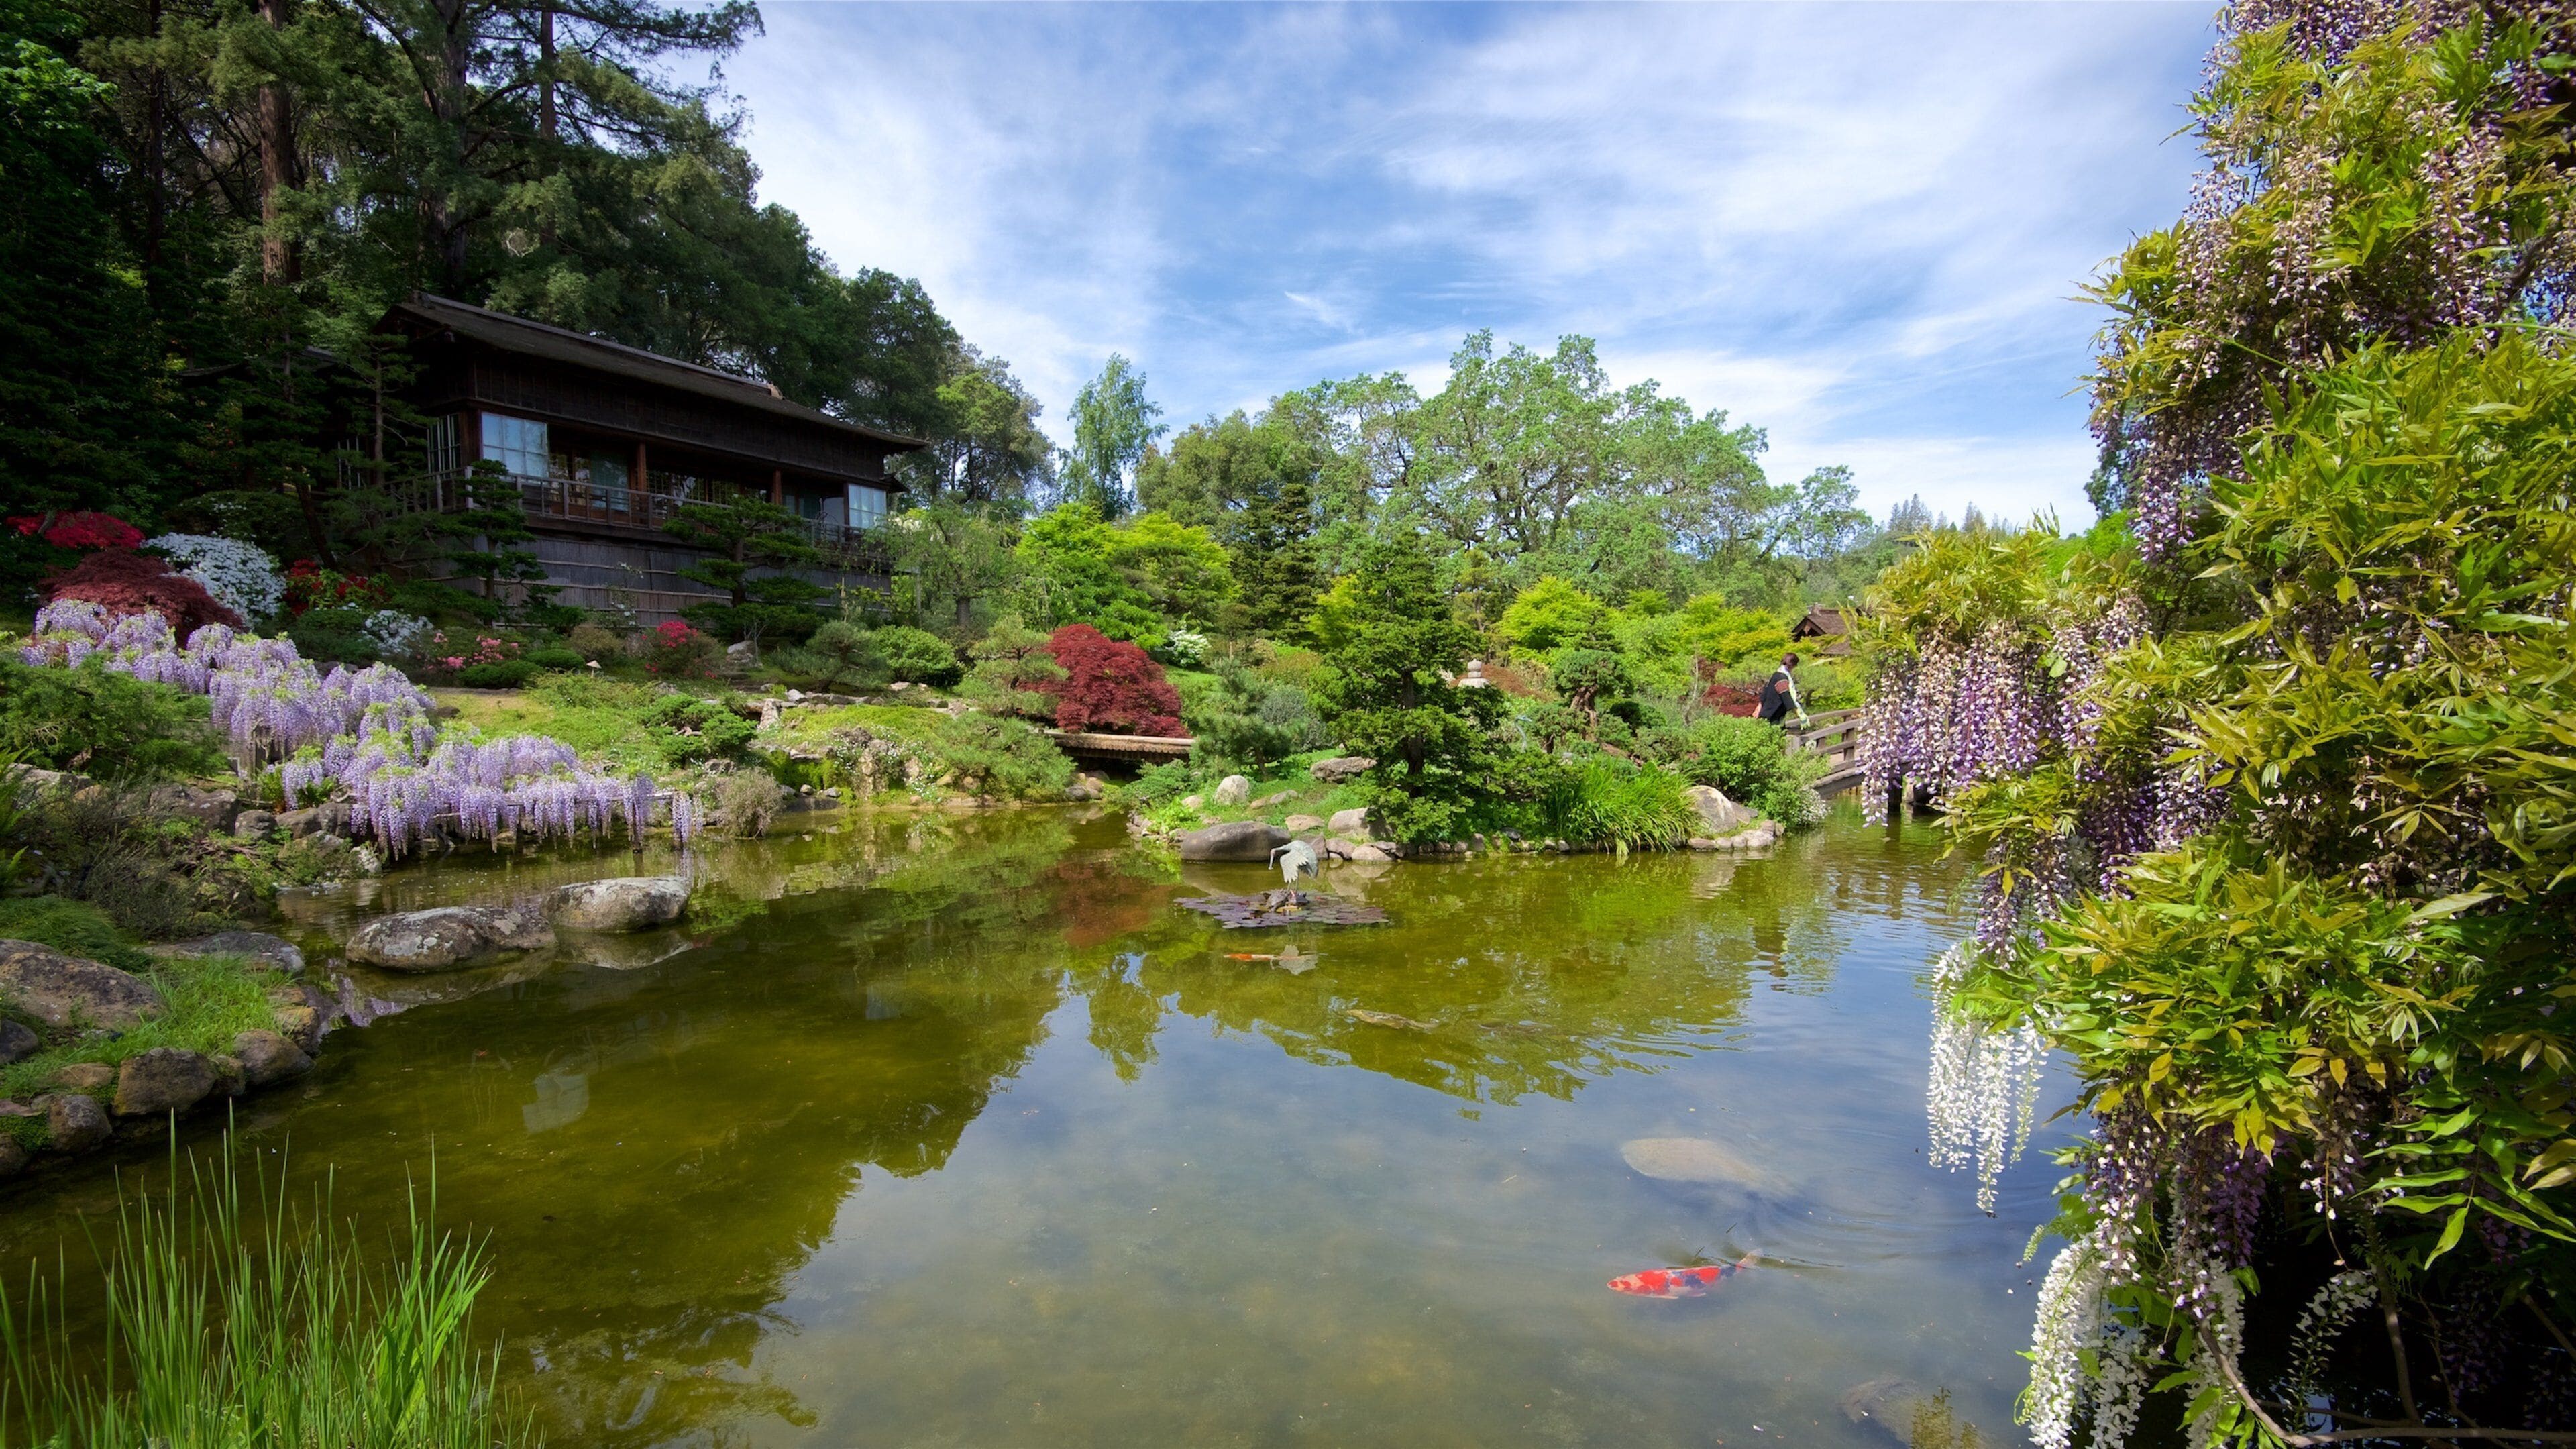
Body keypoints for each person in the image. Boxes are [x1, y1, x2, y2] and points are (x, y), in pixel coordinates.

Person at [1756, 652, 1805, 728]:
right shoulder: (1782, 678)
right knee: (1775, 731)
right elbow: (1786, 696)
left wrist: (1759, 707)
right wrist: (1798, 713)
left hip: (1766, 712)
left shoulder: (1776, 674)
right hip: (1774, 715)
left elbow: (1765, 692)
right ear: (1793, 665)